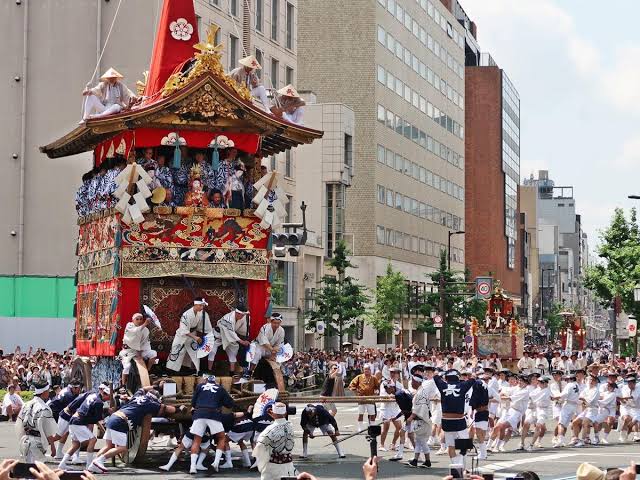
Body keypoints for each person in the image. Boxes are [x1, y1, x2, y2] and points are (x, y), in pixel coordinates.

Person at [89, 387, 180, 473]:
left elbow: (142, 389)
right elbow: (169, 409)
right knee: (122, 447)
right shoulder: (151, 404)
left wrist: (155, 385)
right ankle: (99, 460)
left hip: (114, 417)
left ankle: (92, 464)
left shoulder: (137, 395)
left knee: (108, 446)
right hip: (120, 422)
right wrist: (179, 409)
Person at [189, 375, 235, 473]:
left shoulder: (199, 386)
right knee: (222, 437)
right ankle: (216, 463)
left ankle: (192, 467)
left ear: (206, 380)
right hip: (213, 414)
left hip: (199, 413)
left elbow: (192, 403)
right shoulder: (221, 389)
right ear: (216, 382)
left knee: (197, 440)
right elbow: (229, 404)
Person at [433, 369, 480, 465]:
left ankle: (456, 466)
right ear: (457, 377)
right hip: (459, 419)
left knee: (451, 445)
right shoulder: (462, 385)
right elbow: (473, 378)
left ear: (446, 378)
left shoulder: (443, 385)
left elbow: (435, 376)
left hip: (446, 420)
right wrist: (473, 371)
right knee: (465, 444)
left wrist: (440, 375)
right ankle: (461, 464)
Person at [58, 386, 111, 470]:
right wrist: (107, 412)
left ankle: (62, 464)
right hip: (78, 422)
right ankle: (89, 466)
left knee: (76, 444)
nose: (109, 399)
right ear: (106, 395)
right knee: (93, 440)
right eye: (109, 397)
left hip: (73, 420)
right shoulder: (99, 403)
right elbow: (96, 419)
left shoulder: (93, 395)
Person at [252, 402, 297, 480]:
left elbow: (259, 446)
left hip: (273, 466)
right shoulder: (290, 426)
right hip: (289, 464)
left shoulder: (270, 429)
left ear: (272, 412)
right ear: (286, 413)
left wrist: (261, 460)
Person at [167, 298, 212, 374]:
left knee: (193, 351)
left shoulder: (201, 313)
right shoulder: (186, 314)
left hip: (192, 334)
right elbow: (184, 329)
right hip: (182, 335)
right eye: (201, 306)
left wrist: (208, 334)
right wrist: (195, 337)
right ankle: (171, 371)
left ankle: (191, 370)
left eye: (203, 306)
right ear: (196, 305)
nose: (202, 308)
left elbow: (205, 325)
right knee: (176, 351)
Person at [16, 382, 57, 463]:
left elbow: (19, 424)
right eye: (48, 390)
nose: (49, 392)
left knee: (30, 468)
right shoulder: (44, 408)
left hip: (25, 441)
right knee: (35, 470)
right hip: (37, 441)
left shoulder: (26, 404)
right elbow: (48, 430)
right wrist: (52, 446)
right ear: (44, 392)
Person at [207, 306, 251, 376]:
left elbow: (243, 330)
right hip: (218, 336)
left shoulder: (243, 318)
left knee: (233, 351)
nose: (242, 317)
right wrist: (241, 341)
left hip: (230, 338)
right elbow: (231, 332)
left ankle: (232, 372)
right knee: (212, 351)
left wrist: (245, 338)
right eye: (241, 315)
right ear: (237, 313)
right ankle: (209, 371)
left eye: (244, 315)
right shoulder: (228, 318)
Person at [46, 381, 82, 459]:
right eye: (78, 389)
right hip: (54, 411)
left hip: (58, 410)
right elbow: (72, 410)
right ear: (74, 388)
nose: (80, 390)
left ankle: (59, 452)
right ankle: (40, 444)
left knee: (66, 432)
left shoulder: (68, 389)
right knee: (58, 435)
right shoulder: (69, 395)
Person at [119, 313, 157, 386]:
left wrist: (141, 350)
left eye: (141, 319)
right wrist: (145, 324)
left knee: (153, 353)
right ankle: (123, 385)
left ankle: (148, 370)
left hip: (140, 350)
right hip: (128, 351)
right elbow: (134, 332)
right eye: (137, 319)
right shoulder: (129, 326)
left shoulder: (145, 330)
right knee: (127, 367)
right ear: (133, 320)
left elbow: (145, 342)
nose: (139, 321)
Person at [348, 364, 381, 431]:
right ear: (363, 370)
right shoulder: (359, 377)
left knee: (372, 414)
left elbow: (377, 386)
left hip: (370, 398)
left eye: (368, 369)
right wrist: (356, 393)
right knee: (361, 414)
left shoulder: (373, 378)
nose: (366, 371)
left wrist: (376, 393)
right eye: (365, 369)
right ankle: (360, 428)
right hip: (361, 398)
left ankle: (372, 427)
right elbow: (351, 385)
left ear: (370, 370)